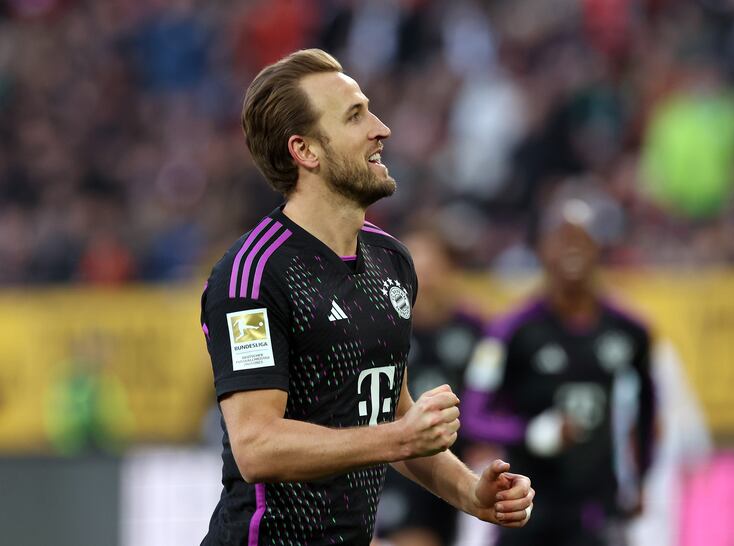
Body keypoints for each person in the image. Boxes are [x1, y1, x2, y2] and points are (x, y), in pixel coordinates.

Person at [199, 49, 533, 546]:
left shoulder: (391, 262)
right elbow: (257, 446)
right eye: (355, 115)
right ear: (305, 151)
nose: (382, 128)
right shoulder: (253, 275)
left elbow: (394, 416)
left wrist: (470, 492)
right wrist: (400, 437)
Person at [462, 190, 656, 546]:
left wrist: (642, 478)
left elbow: (648, 406)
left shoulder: (630, 331)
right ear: (541, 249)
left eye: (582, 238)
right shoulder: (510, 332)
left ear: (601, 247)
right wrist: (530, 433)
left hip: (596, 505)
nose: (573, 249)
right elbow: (473, 415)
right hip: (525, 502)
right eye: (563, 238)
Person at [374, 227, 484, 546]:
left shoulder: (475, 329)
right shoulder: (384, 330)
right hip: (402, 461)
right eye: (415, 266)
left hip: (458, 462)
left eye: (433, 266)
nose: (425, 277)